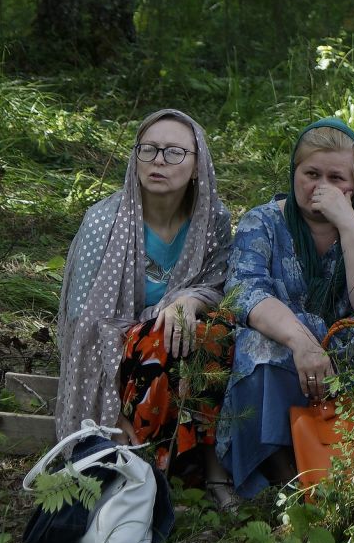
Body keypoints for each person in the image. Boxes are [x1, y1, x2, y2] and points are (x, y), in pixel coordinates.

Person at [219, 118, 354, 499]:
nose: (322, 187)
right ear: (294, 172)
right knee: (258, 344)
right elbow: (246, 293)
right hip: (290, 347)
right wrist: (305, 345)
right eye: (311, 173)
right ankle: (286, 475)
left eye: (337, 177)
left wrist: (348, 222)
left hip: (350, 342)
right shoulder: (262, 222)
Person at [56, 109, 238, 506]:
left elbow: (216, 286)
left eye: (174, 152)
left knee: (215, 329)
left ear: (196, 165)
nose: (158, 160)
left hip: (177, 347)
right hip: (111, 360)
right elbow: (83, 327)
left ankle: (208, 465)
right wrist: (109, 413)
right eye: (149, 149)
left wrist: (186, 300)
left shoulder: (212, 222)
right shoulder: (103, 222)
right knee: (159, 338)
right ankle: (145, 473)